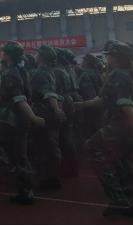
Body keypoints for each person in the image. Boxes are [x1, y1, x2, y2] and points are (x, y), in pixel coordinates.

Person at [75, 42, 133, 219]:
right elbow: (109, 99)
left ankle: (117, 198)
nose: (106, 58)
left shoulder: (118, 76)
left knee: (93, 148)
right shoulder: (130, 73)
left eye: (108, 55)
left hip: (120, 124)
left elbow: (125, 104)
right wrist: (84, 104)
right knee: (132, 164)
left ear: (116, 57)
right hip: (129, 123)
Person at [0, 41, 45, 205]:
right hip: (19, 120)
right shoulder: (19, 70)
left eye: (3, 52)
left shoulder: (11, 73)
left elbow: (18, 99)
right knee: (21, 156)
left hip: (12, 120)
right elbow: (6, 95)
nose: (1, 54)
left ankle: (8, 167)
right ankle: (26, 193)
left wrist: (33, 117)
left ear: (9, 55)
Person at [29, 45, 64, 189]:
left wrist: (56, 109)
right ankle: (54, 177)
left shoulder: (40, 73)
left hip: (43, 111)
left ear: (42, 56)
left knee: (41, 146)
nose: (35, 55)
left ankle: (47, 178)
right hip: (50, 111)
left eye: (37, 53)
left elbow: (48, 93)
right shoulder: (51, 71)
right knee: (52, 146)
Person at [53, 48, 78, 177]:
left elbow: (58, 93)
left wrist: (58, 109)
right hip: (68, 100)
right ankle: (71, 166)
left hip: (63, 102)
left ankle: (68, 167)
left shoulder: (57, 71)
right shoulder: (65, 69)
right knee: (67, 135)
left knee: (64, 137)